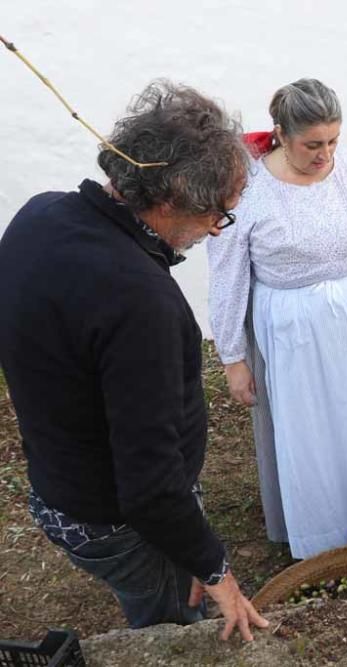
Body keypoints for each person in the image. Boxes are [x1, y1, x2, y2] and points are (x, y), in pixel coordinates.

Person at [0, 81, 267, 640]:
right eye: (219, 215)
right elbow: (149, 488)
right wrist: (212, 567)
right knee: (169, 626)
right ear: (170, 200)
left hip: (58, 486)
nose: (214, 230)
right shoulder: (140, 301)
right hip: (117, 521)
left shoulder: (40, 215)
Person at [207, 78, 347, 560]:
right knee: (315, 429)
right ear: (282, 136)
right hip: (296, 338)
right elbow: (227, 277)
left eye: (332, 141)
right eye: (312, 144)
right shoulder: (246, 192)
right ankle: (327, 532)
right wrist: (233, 357)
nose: (324, 154)